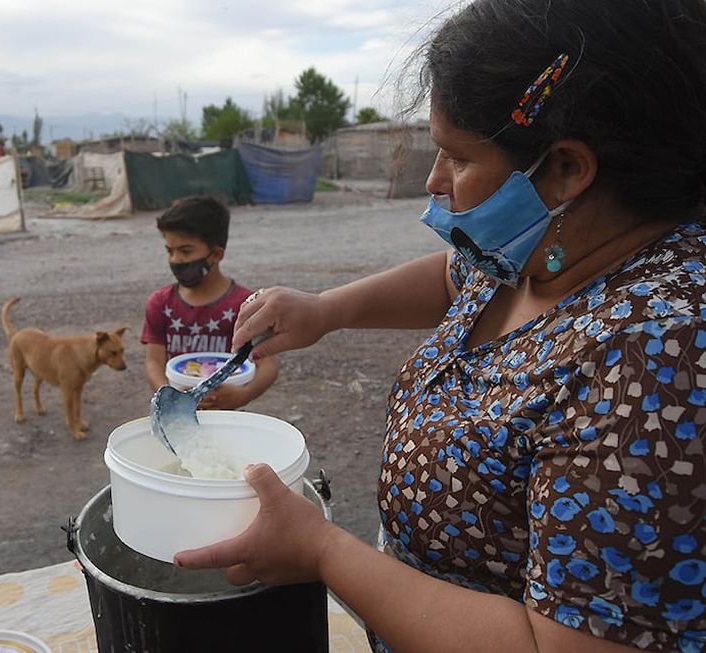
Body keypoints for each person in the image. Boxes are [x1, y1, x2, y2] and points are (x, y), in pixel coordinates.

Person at [175, 1, 706, 651]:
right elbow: (456, 279)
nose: (433, 181)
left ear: (567, 169)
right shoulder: (538, 247)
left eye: (455, 157)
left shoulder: (656, 363)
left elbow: (564, 645)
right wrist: (327, 309)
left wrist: (321, 551)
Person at [142, 195, 277, 409]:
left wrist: (244, 395)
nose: (175, 259)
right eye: (170, 251)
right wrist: (169, 397)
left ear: (216, 254)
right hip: (176, 416)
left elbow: (267, 365)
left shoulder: (246, 305)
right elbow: (154, 361)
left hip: (226, 417)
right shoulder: (160, 303)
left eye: (186, 251)